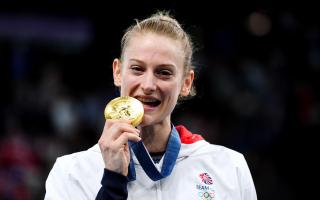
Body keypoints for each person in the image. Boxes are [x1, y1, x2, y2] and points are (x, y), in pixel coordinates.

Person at [45, 11, 257, 200]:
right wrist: (112, 181)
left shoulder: (229, 167)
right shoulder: (71, 173)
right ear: (118, 72)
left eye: (164, 72)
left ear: (186, 83)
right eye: (137, 69)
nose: (148, 85)